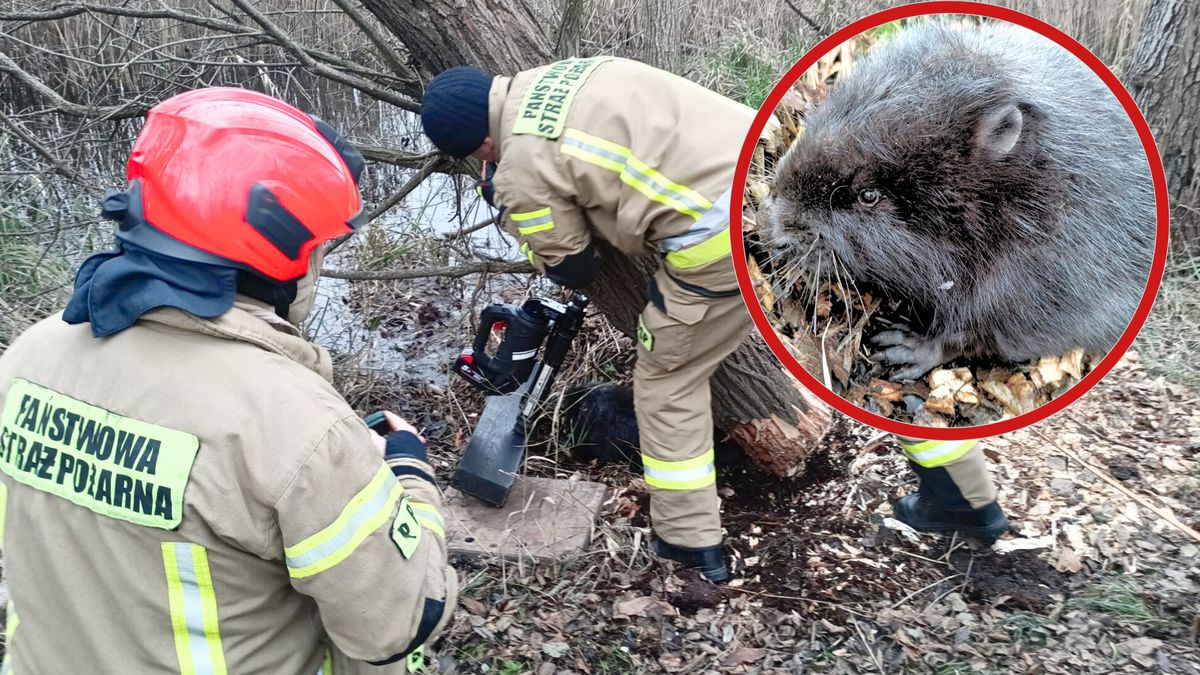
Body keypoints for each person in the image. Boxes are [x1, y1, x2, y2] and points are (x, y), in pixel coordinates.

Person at [0, 88, 456, 674]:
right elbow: (400, 622)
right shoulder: (293, 426)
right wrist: (408, 478)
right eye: (317, 247)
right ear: (280, 253)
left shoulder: (29, 356)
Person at [419, 57, 760, 582]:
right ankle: (937, 471)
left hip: (728, 232)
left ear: (480, 148)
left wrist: (508, 205)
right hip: (775, 165)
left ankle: (690, 546)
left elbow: (573, 266)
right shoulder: (565, 72)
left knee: (667, 382)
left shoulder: (519, 172)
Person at [892, 436, 1010, 545]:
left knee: (921, 426)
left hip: (967, 502)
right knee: (936, 422)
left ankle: (959, 506)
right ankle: (980, 507)